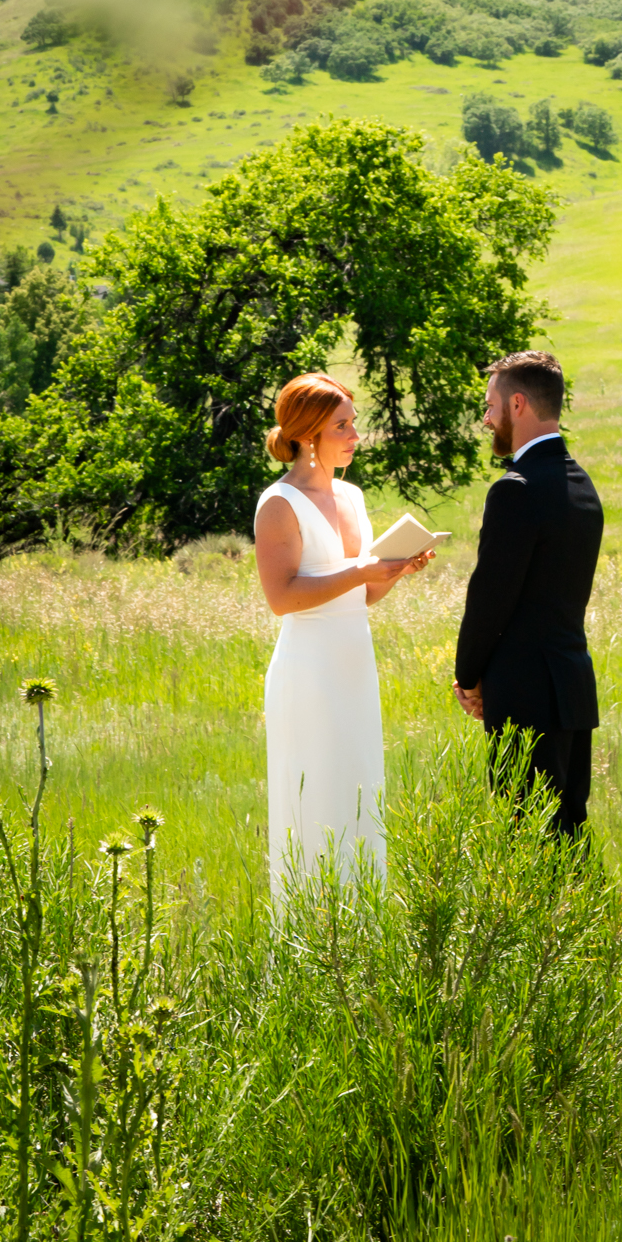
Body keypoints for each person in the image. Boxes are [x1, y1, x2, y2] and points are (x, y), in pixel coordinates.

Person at [254, 372, 433, 895]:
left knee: (359, 800)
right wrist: (360, 571)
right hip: (309, 672)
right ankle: (308, 941)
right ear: (309, 435)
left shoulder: (353, 497)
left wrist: (394, 571)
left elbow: (361, 597)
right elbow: (281, 598)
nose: (357, 436)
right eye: (343, 426)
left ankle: (361, 943)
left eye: (354, 423)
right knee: (316, 805)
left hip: (356, 668)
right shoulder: (279, 504)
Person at [453, 350, 602, 836]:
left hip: (525, 696)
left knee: (527, 844)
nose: (486, 417)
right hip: (572, 689)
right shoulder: (582, 486)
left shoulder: (515, 489)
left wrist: (468, 677)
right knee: (567, 836)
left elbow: (491, 598)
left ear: (517, 405)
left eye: (490, 404)